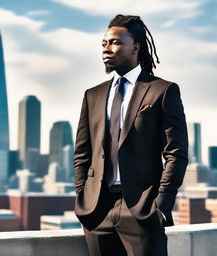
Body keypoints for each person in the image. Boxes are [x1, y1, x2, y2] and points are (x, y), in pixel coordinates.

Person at [74, 14, 188, 256]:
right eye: (104, 43)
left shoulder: (162, 91)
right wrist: (83, 193)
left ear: (135, 46)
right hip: (97, 210)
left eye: (114, 42)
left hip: (142, 210)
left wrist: (161, 206)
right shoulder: (92, 95)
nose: (106, 48)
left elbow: (176, 153)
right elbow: (82, 153)